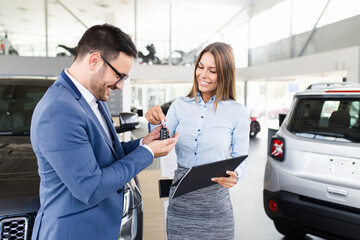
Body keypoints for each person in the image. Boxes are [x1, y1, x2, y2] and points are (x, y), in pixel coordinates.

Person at [30, 24, 178, 240]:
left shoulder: (94, 100)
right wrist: (147, 153)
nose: (120, 86)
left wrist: (143, 143)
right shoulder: (59, 110)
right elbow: (90, 188)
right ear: (94, 61)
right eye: (120, 76)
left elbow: (107, 155)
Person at [145, 42, 250, 240]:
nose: (203, 74)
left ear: (225, 74)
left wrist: (235, 174)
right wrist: (153, 122)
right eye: (200, 67)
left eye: (212, 70)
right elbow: (160, 141)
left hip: (216, 209)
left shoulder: (238, 112)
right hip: (181, 206)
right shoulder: (179, 105)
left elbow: (241, 158)